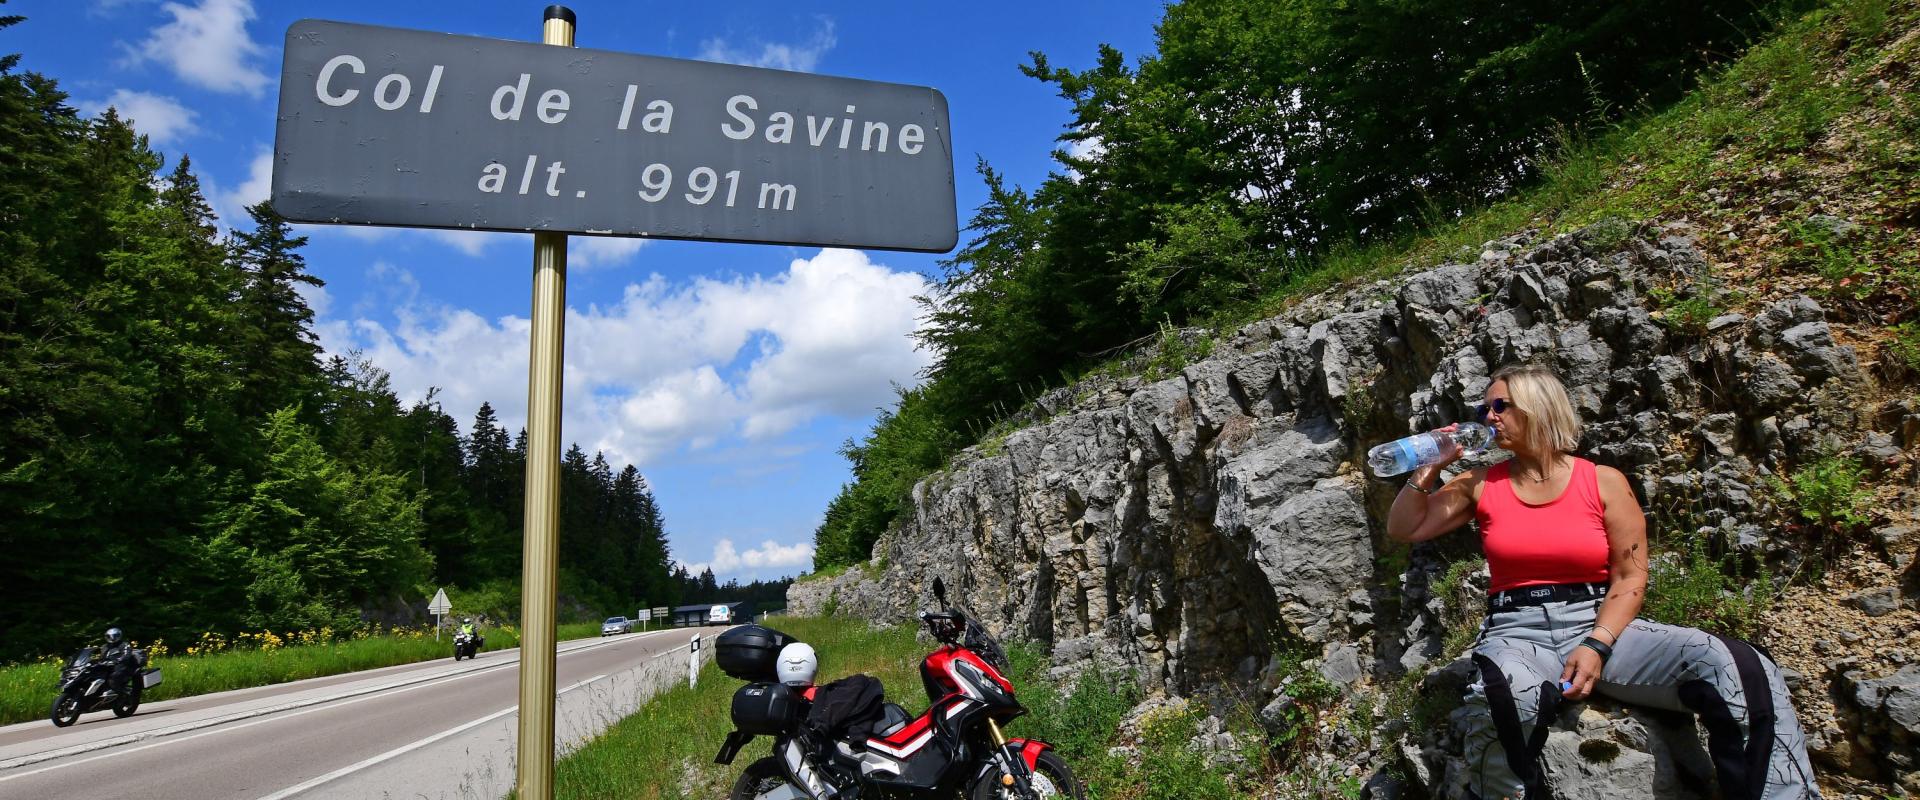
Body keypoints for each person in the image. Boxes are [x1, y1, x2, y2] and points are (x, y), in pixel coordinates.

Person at [1386, 363, 1820, 800]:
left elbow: (1631, 576)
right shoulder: (1479, 484)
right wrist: (1428, 464)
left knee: (1738, 665)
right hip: (1516, 631)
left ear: (1539, 407)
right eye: (1484, 410)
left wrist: (1596, 645)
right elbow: (1406, 527)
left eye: (1500, 405)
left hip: (1599, 620)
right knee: (1504, 698)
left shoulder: (1603, 482)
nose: (1488, 417)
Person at [100, 627, 139, 697]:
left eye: (114, 636)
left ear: (119, 636)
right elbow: (102, 657)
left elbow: (126, 655)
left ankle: (125, 693)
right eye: (109, 636)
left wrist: (118, 660)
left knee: (114, 676)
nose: (112, 638)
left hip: (125, 666)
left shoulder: (124, 645)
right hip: (110, 667)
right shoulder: (104, 647)